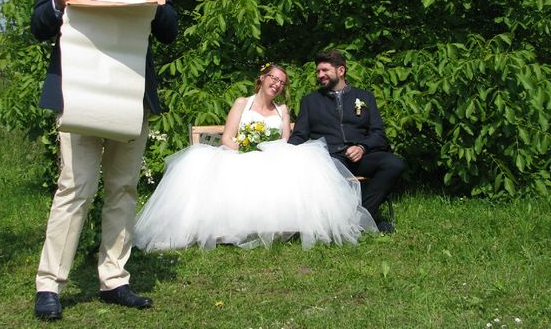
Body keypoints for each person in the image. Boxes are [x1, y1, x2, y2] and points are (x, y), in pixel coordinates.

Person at [30, 0, 178, 320]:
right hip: (79, 91)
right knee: (74, 188)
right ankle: (50, 285)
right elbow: (38, 25)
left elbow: (169, 30)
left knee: (123, 188)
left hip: (131, 93)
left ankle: (114, 279)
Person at [134, 63, 376, 252]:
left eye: (282, 82)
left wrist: (268, 152)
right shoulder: (242, 103)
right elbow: (228, 137)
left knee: (297, 164)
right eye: (274, 78)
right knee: (223, 170)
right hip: (239, 154)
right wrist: (245, 150)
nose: (277, 84)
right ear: (262, 78)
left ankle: (286, 225)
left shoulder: (282, 110)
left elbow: (286, 141)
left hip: (271, 157)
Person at [288, 50, 405, 233]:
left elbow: (378, 133)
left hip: (361, 157)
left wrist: (362, 147)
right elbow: (300, 134)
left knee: (394, 163)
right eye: (318, 71)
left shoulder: (365, 97)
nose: (320, 75)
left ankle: (361, 217)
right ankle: (362, 221)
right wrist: (282, 154)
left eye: (325, 70)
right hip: (330, 160)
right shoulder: (310, 101)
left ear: (341, 70)